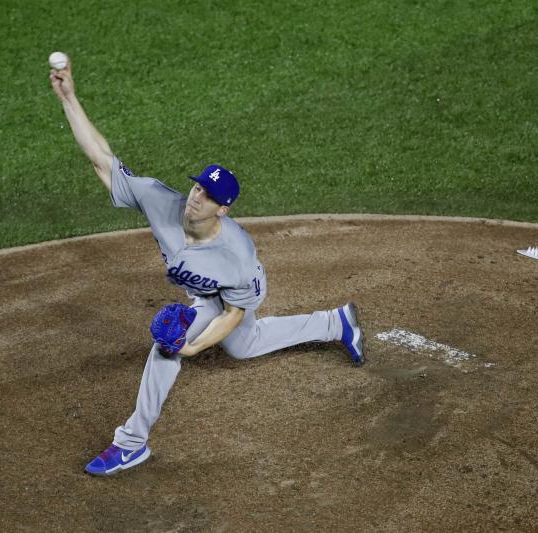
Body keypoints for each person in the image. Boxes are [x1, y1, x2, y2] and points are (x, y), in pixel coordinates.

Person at [49, 57, 365, 477]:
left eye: (207, 196)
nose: (196, 198)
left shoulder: (237, 255)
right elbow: (102, 159)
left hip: (237, 292)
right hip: (206, 291)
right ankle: (335, 322)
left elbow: (233, 312)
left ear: (223, 209)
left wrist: (192, 347)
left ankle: (130, 444)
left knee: (170, 345)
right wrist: (69, 99)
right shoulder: (161, 200)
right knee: (243, 346)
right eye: (198, 187)